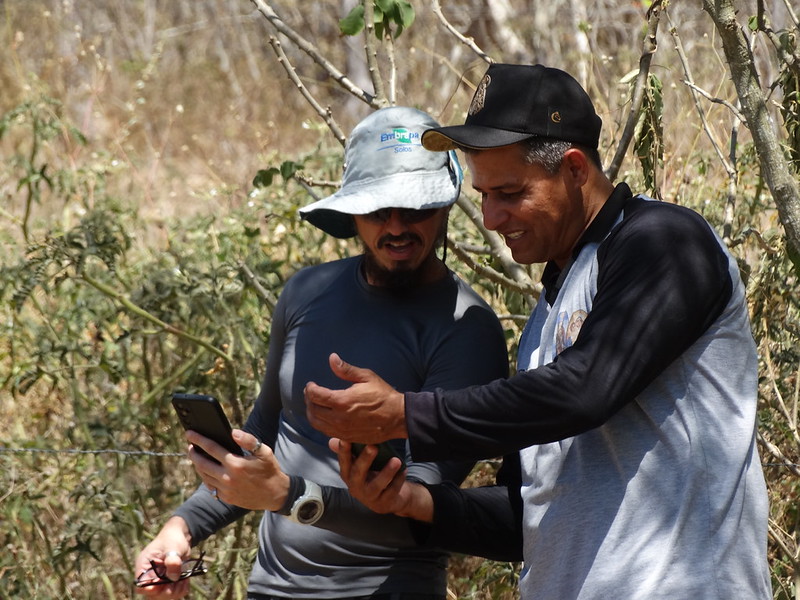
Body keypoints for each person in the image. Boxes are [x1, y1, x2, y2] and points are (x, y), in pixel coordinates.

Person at [305, 64, 773, 598]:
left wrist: (407, 414)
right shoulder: (547, 315)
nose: (490, 217)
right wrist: (408, 500)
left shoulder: (664, 241)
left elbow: (586, 388)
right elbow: (528, 513)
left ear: (573, 169)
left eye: (508, 192)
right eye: (481, 195)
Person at [133, 106, 509, 599]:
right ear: (352, 211)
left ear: (443, 206)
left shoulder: (466, 328)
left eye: (415, 209)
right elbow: (264, 438)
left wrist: (289, 496)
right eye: (378, 209)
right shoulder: (306, 294)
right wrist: (180, 530)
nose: (396, 227)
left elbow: (423, 508)